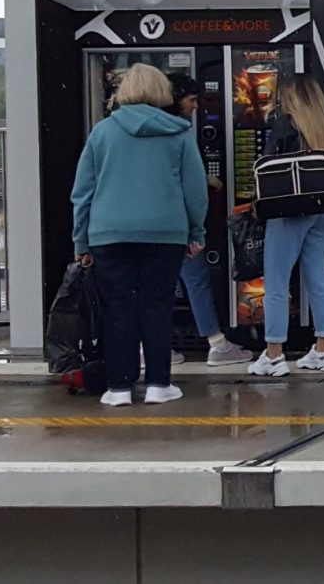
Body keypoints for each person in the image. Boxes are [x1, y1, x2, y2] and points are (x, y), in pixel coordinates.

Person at [71, 63, 207, 406]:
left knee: (118, 309)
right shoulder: (179, 134)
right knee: (156, 307)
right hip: (165, 234)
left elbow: (83, 192)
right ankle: (159, 384)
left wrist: (81, 240)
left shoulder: (102, 133)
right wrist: (196, 231)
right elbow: (194, 190)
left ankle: (119, 387)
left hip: (109, 234)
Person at [248, 76, 324, 377]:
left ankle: (273, 355)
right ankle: (323, 350)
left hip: (290, 211)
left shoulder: (286, 124)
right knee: (320, 279)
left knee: (277, 284)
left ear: (291, 98)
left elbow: (266, 163)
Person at [166, 73, 252, 366]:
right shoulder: (178, 133)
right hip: (177, 223)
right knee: (196, 280)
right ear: (176, 99)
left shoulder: (118, 131)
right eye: (191, 101)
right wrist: (197, 231)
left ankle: (149, 346)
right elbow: (188, 186)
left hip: (143, 227)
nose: (195, 108)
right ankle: (217, 343)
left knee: (153, 287)